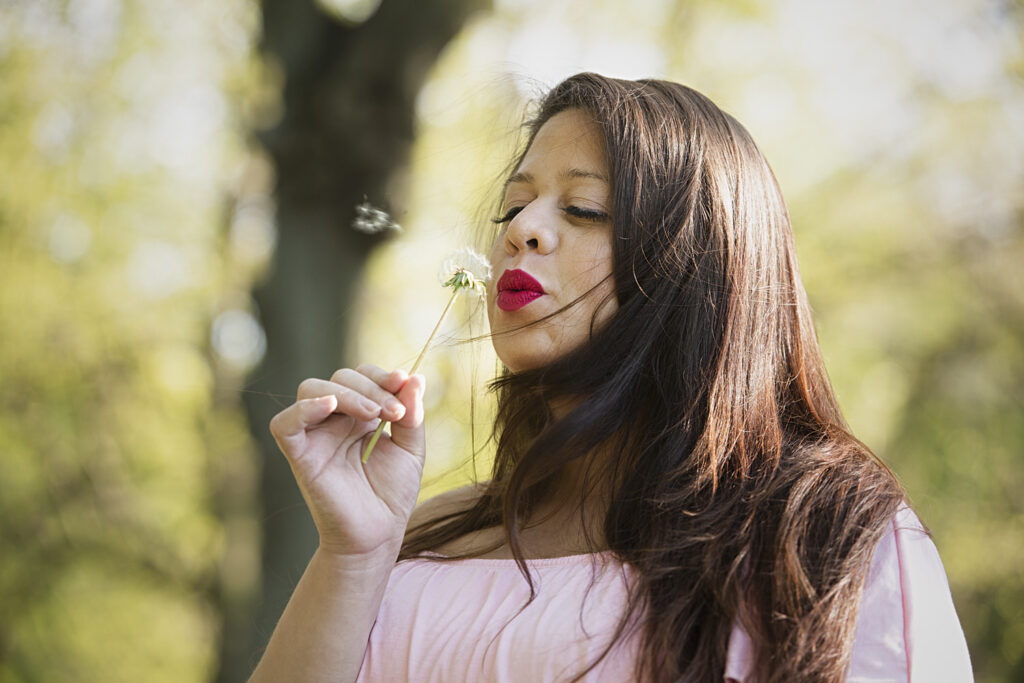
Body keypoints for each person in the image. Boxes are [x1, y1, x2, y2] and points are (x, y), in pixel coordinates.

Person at [249, 73, 973, 682]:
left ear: (699, 264)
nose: (519, 229)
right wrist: (354, 553)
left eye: (583, 208)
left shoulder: (826, 537)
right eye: (513, 204)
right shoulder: (419, 538)